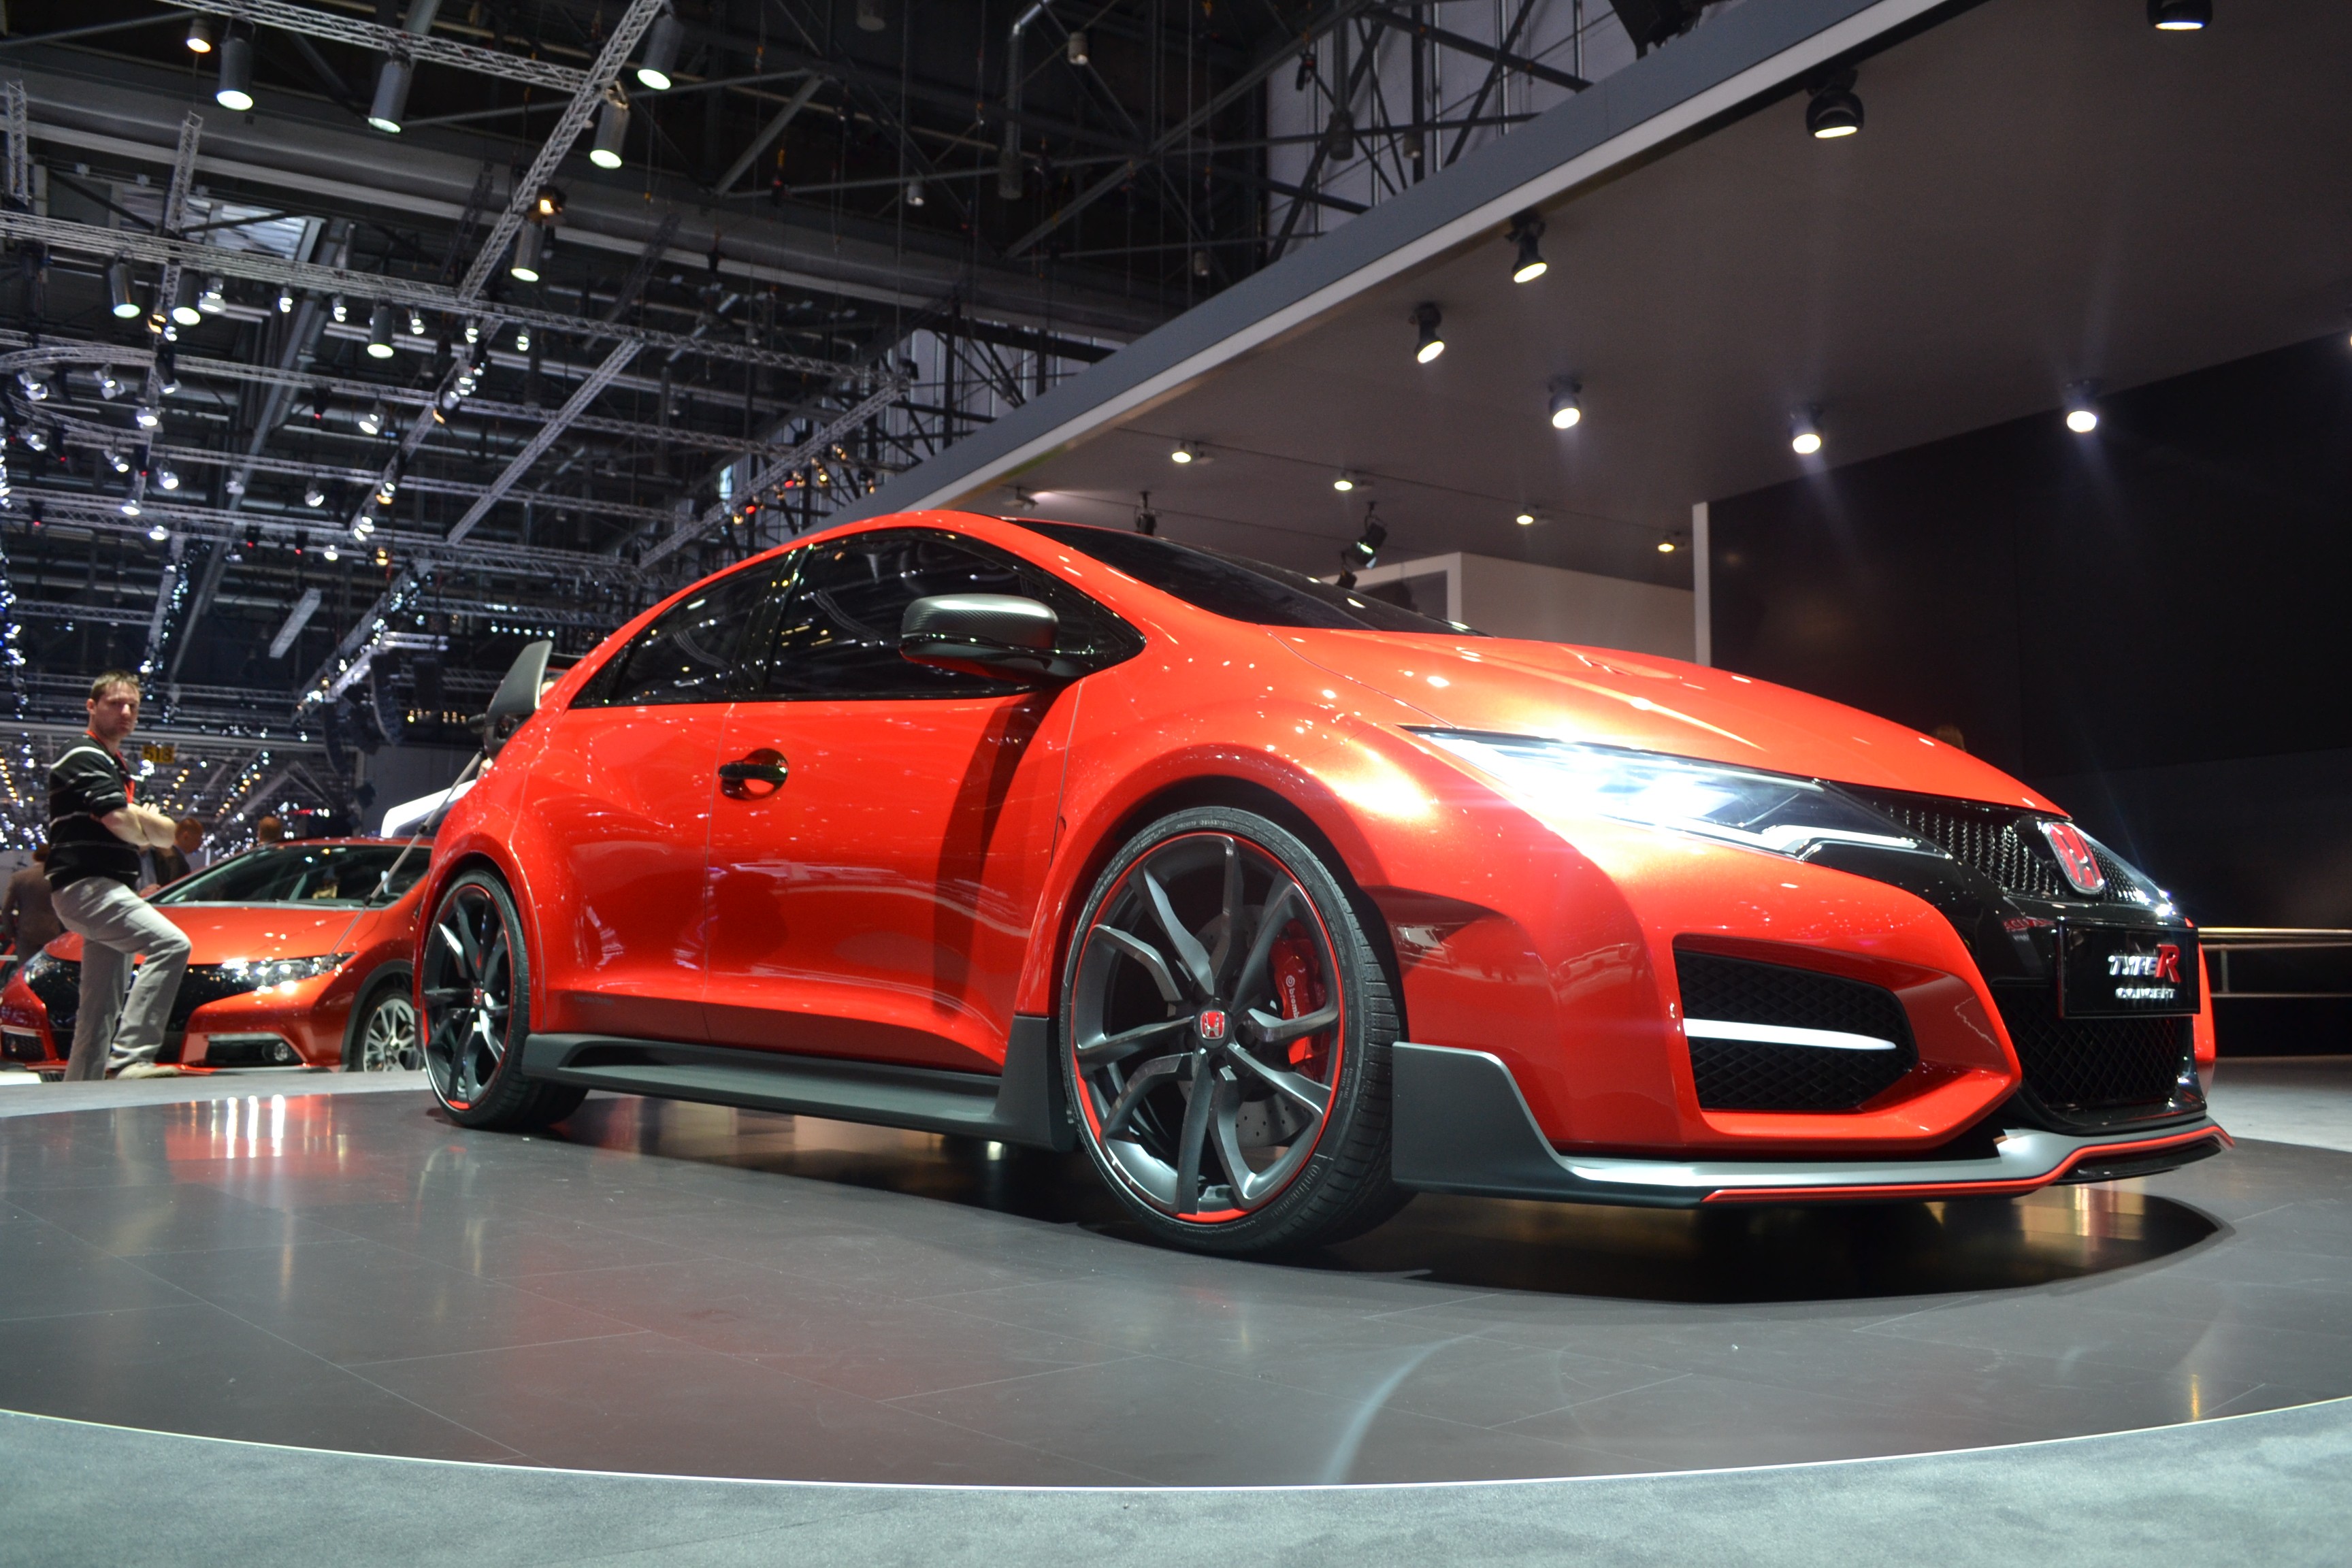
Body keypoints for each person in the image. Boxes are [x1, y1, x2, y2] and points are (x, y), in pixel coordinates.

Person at [46, 671, 191, 1081]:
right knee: (172, 944)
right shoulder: (83, 753)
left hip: (102, 890)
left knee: (98, 1013)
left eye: (133, 706)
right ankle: (130, 1058)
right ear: (92, 707)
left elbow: (169, 836)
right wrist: (139, 825)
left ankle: (79, 1096)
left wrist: (136, 820)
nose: (126, 712)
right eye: (115, 703)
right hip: (90, 888)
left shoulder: (116, 767)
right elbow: (119, 821)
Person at [3, 846, 62, 964]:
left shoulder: (19, 878)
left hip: (26, 933)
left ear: (34, 857)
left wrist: (10, 933)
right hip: (54, 932)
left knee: (26, 969)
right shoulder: (59, 878)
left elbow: (6, 909)